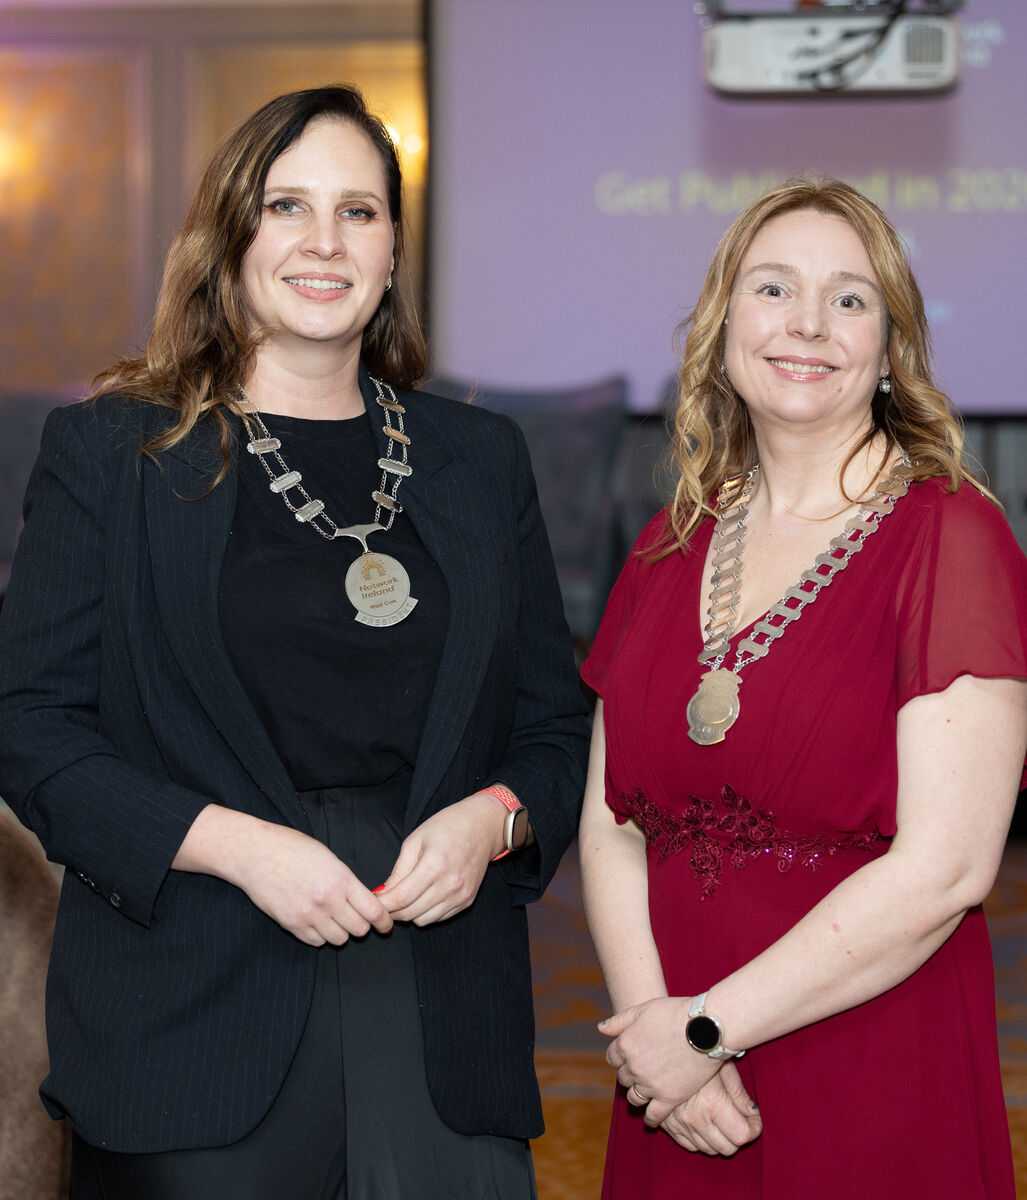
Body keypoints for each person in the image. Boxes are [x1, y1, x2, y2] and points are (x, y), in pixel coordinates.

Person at [0, 85, 588, 1200]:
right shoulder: (111, 452)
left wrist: (494, 821)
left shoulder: (478, 459)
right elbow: (30, 729)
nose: (324, 242)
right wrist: (236, 845)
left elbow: (552, 726)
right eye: (286, 206)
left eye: (358, 211)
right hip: (194, 994)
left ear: (393, 248)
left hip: (440, 994)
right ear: (230, 236)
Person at [579, 175, 1027, 1197]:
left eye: (851, 299)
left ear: (890, 348)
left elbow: (946, 871)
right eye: (773, 289)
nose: (809, 325)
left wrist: (705, 1030)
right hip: (674, 1084)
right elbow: (608, 824)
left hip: (864, 1055)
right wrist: (659, 1045)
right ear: (722, 323)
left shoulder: (949, 537)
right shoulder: (669, 541)